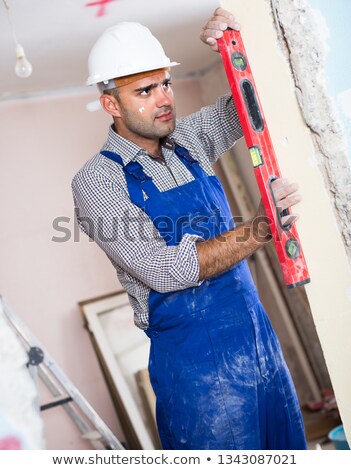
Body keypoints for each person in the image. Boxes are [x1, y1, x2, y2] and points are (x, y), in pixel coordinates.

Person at [72, 8, 307, 450]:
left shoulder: (189, 140)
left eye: (165, 83)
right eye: (145, 90)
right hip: (197, 377)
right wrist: (259, 227)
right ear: (111, 103)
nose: (164, 98)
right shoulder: (97, 181)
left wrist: (238, 41)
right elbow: (164, 271)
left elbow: (251, 103)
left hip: (260, 346)